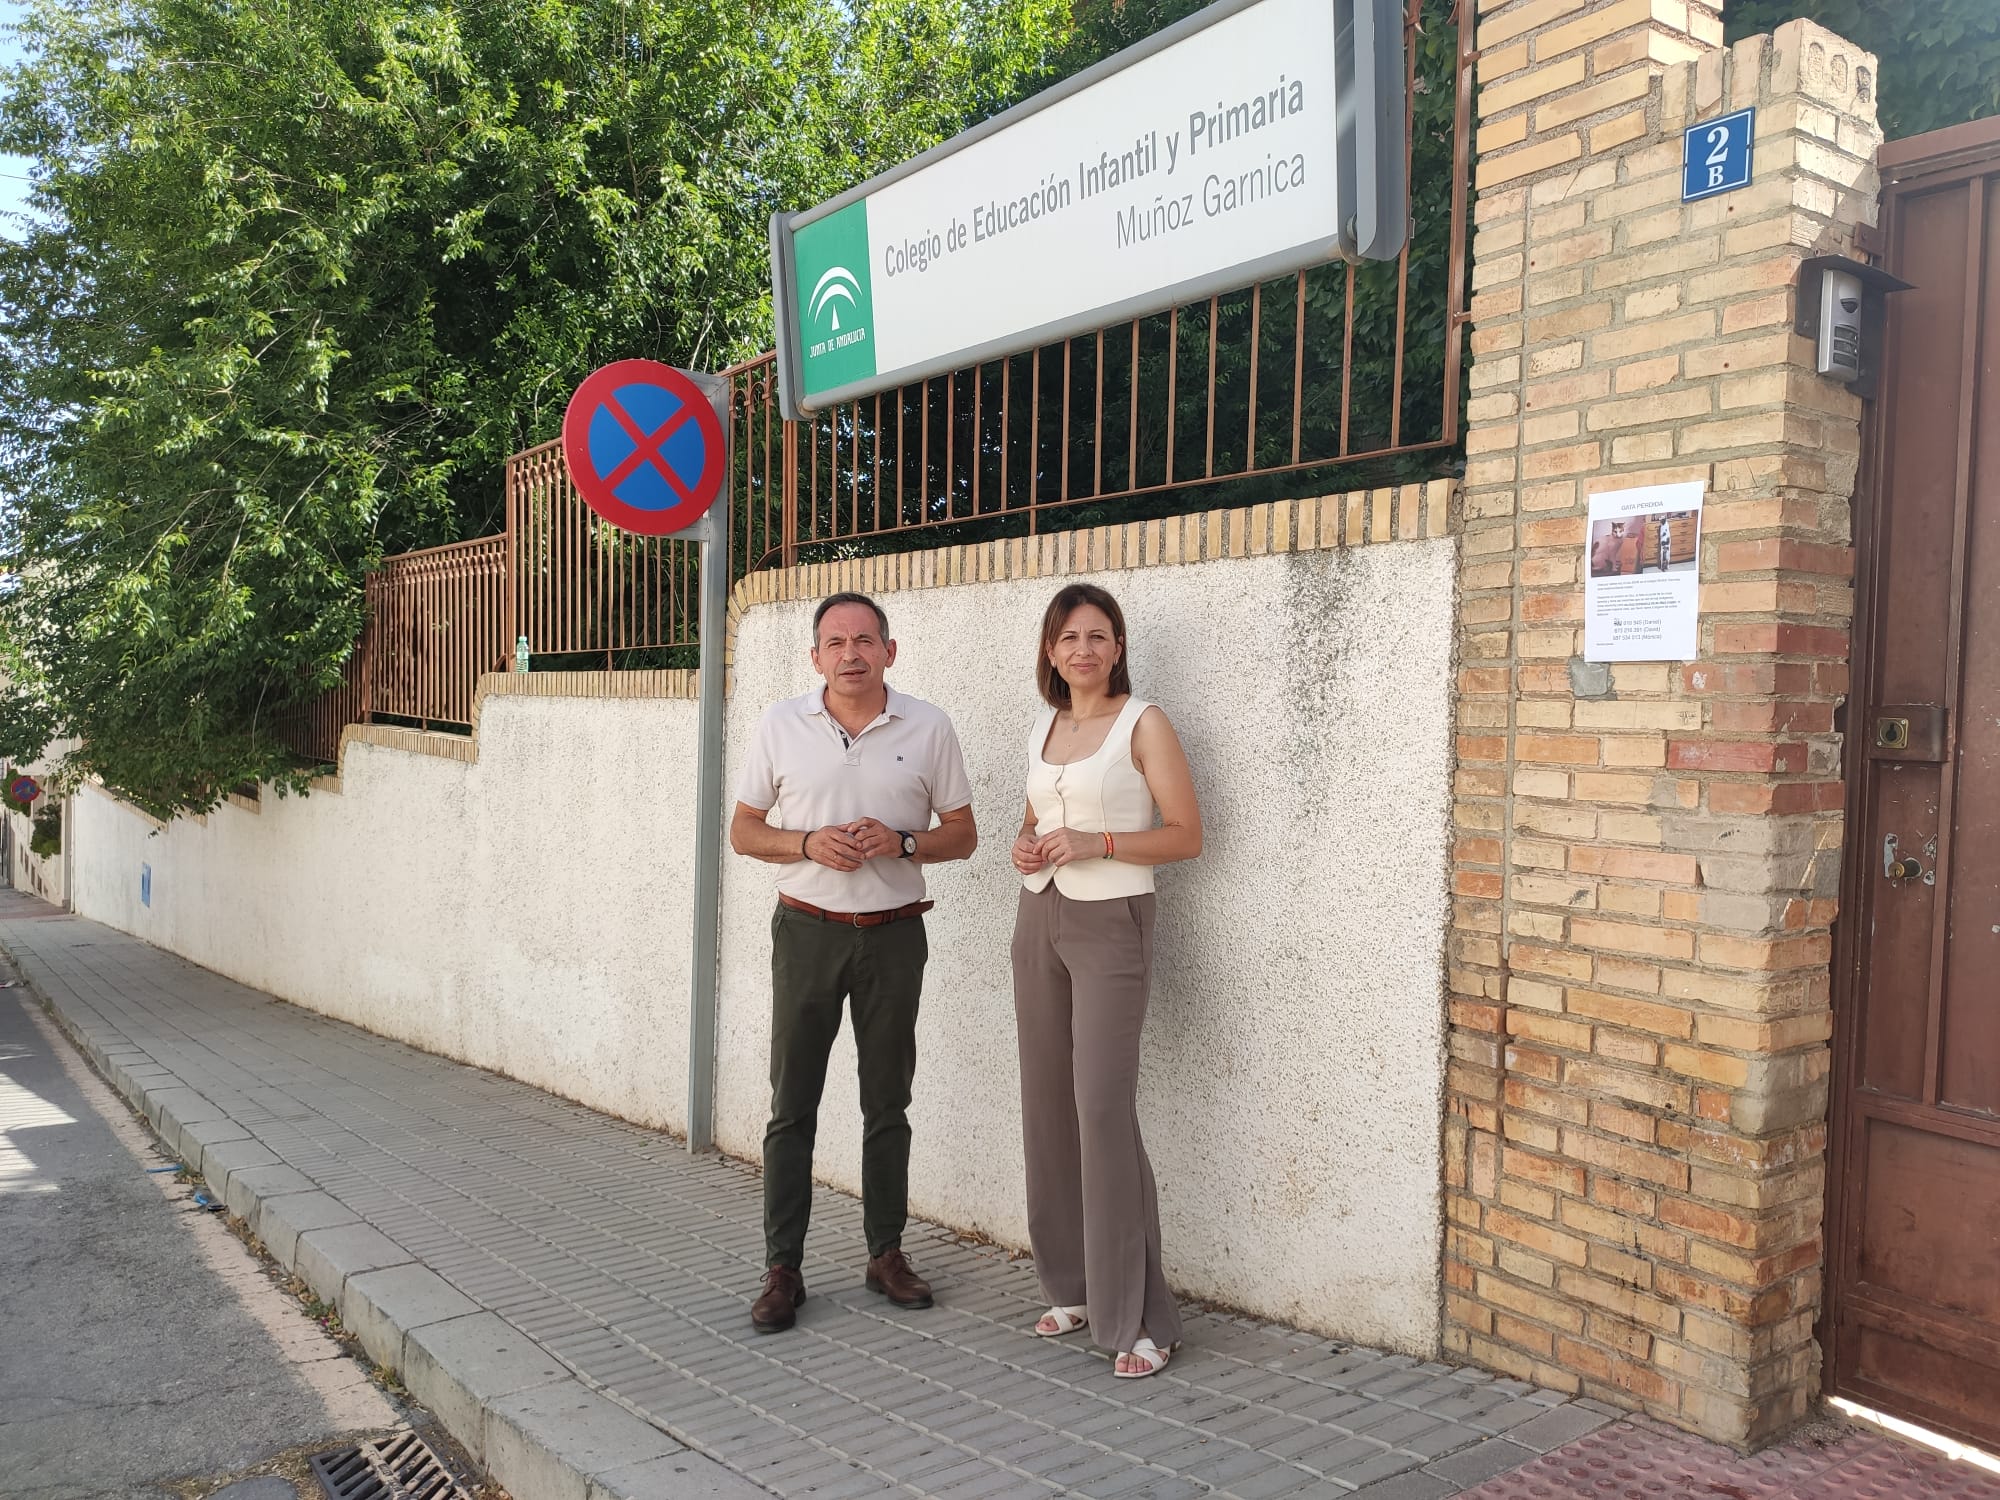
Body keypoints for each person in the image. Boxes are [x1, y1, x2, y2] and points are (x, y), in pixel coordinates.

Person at [729, 591, 978, 1334]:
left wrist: (902, 841)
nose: (851, 654)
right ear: (815, 658)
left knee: (887, 1103)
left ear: (889, 651)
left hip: (895, 935)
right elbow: (744, 831)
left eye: (865, 640)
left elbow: (962, 834)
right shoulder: (780, 724)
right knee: (791, 1106)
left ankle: (885, 1253)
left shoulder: (928, 726)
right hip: (806, 931)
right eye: (835, 643)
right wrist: (806, 842)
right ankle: (783, 1269)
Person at [1009, 582, 1203, 1379]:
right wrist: (1026, 846)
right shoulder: (1045, 726)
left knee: (1101, 1110)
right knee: (1046, 1104)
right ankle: (1073, 1285)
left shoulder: (1143, 722)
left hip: (1112, 924)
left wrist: (1100, 843)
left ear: (1118, 647)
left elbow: (1187, 835)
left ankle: (1142, 1318)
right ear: (1051, 652)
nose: (1083, 649)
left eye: (1099, 635)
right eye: (1068, 637)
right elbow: (1034, 821)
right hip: (1038, 923)